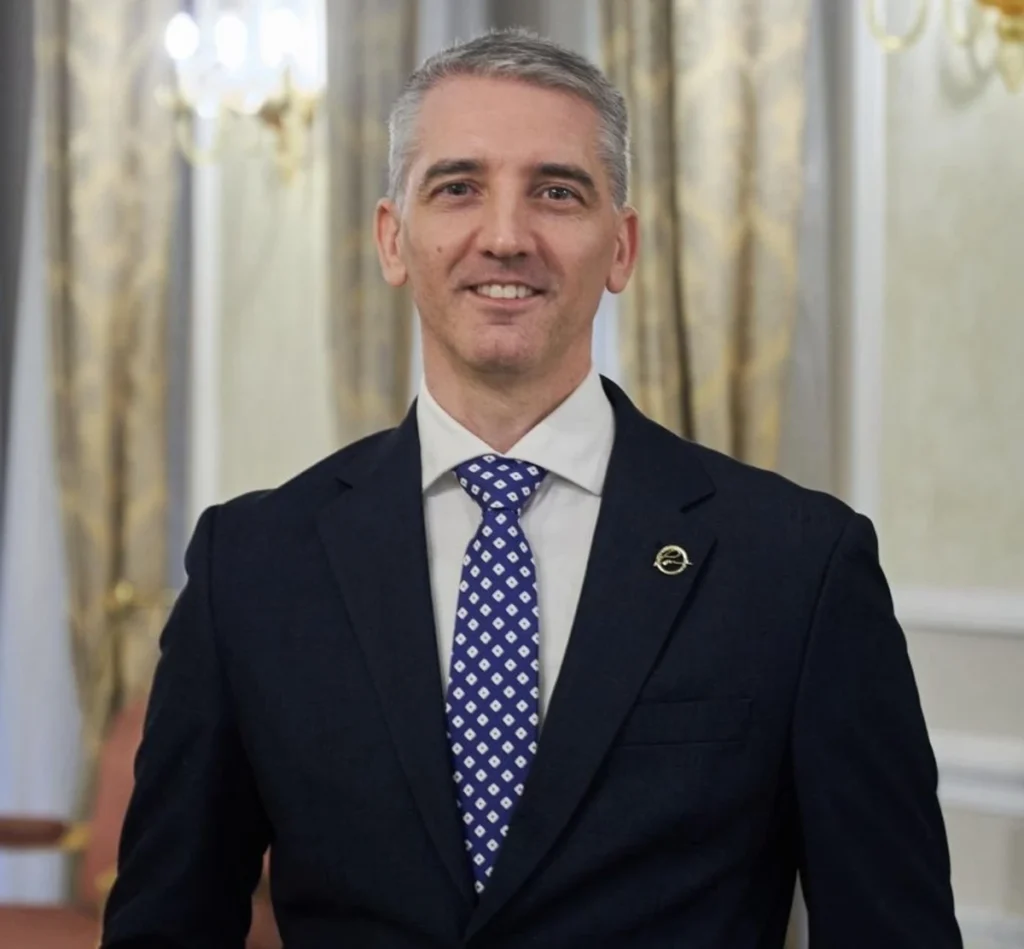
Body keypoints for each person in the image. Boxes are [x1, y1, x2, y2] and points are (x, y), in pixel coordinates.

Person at [101, 29, 962, 949]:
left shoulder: (798, 566)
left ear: (621, 247)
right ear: (393, 239)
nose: (506, 237)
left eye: (557, 192)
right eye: (457, 188)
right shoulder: (251, 568)